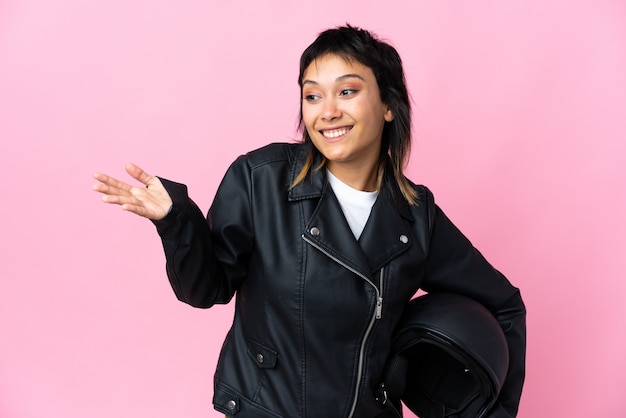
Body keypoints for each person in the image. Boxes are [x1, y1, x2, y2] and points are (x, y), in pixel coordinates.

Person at [93, 25, 526, 418]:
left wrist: (494, 414)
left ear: (390, 105)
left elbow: (504, 305)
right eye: (313, 95)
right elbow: (206, 290)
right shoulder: (259, 179)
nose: (327, 111)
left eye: (348, 91)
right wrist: (175, 220)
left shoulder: (416, 216)